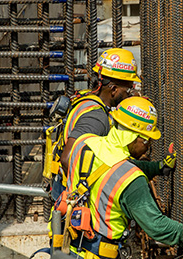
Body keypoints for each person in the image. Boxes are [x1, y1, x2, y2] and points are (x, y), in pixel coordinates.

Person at [54, 96, 183, 259]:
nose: (148, 147)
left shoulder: (84, 143)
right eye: (147, 141)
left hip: (66, 246)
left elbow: (111, 166)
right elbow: (159, 228)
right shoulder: (132, 181)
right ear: (136, 137)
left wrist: (158, 168)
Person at [48, 47, 141, 202]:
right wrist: (85, 195)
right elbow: (68, 158)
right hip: (73, 195)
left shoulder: (86, 97)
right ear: (113, 90)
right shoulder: (96, 117)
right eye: (129, 88)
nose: (130, 92)